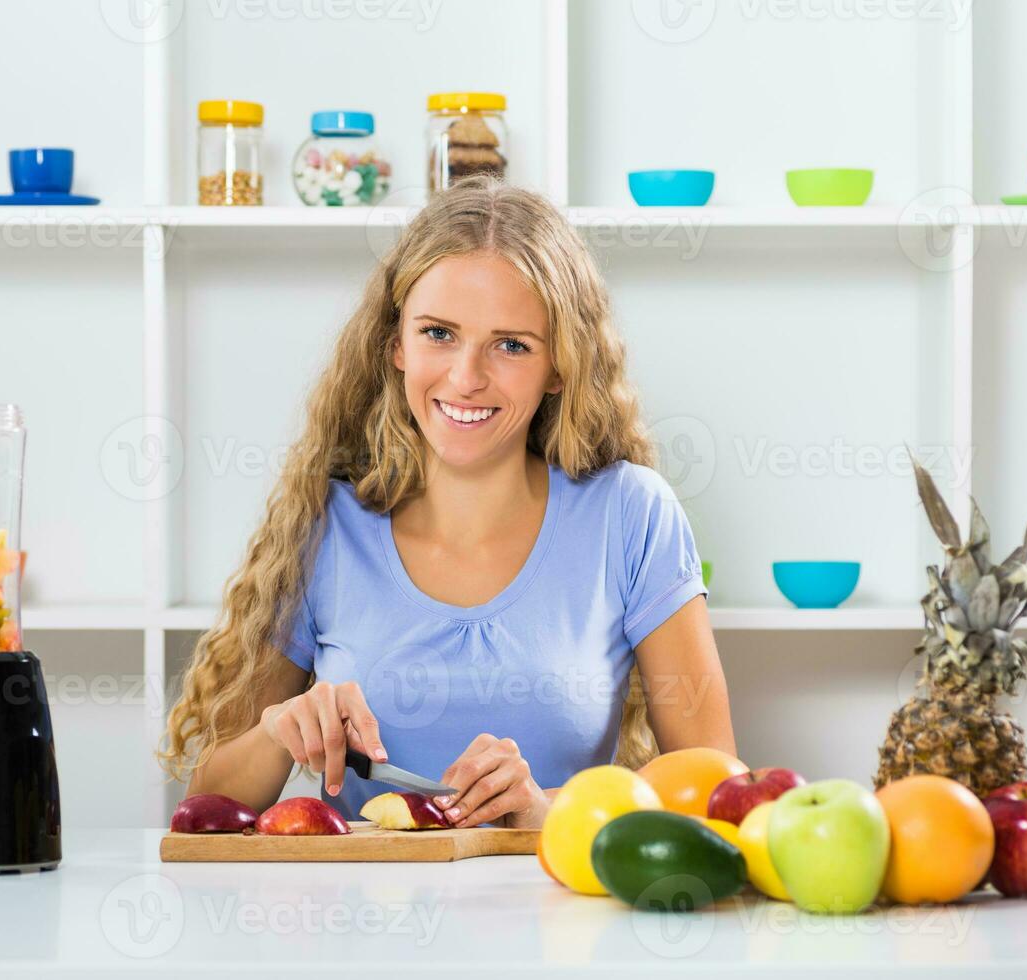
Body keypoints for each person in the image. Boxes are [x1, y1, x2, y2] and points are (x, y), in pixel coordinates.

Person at [161, 175, 735, 830]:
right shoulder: (325, 525)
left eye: (511, 344)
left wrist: (547, 814)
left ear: (560, 366)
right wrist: (277, 729)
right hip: (357, 921)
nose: (467, 377)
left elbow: (716, 795)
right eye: (438, 333)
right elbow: (205, 807)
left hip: (559, 918)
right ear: (395, 344)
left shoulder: (631, 516)